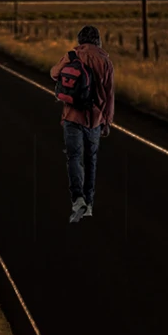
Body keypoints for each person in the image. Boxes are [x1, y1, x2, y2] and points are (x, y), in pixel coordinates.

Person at [50, 24, 115, 222]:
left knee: (74, 157)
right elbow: (110, 94)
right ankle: (89, 204)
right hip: (94, 119)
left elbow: (54, 74)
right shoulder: (105, 61)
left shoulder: (72, 55)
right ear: (97, 40)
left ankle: (77, 198)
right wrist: (107, 121)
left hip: (71, 116)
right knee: (91, 161)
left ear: (80, 40)